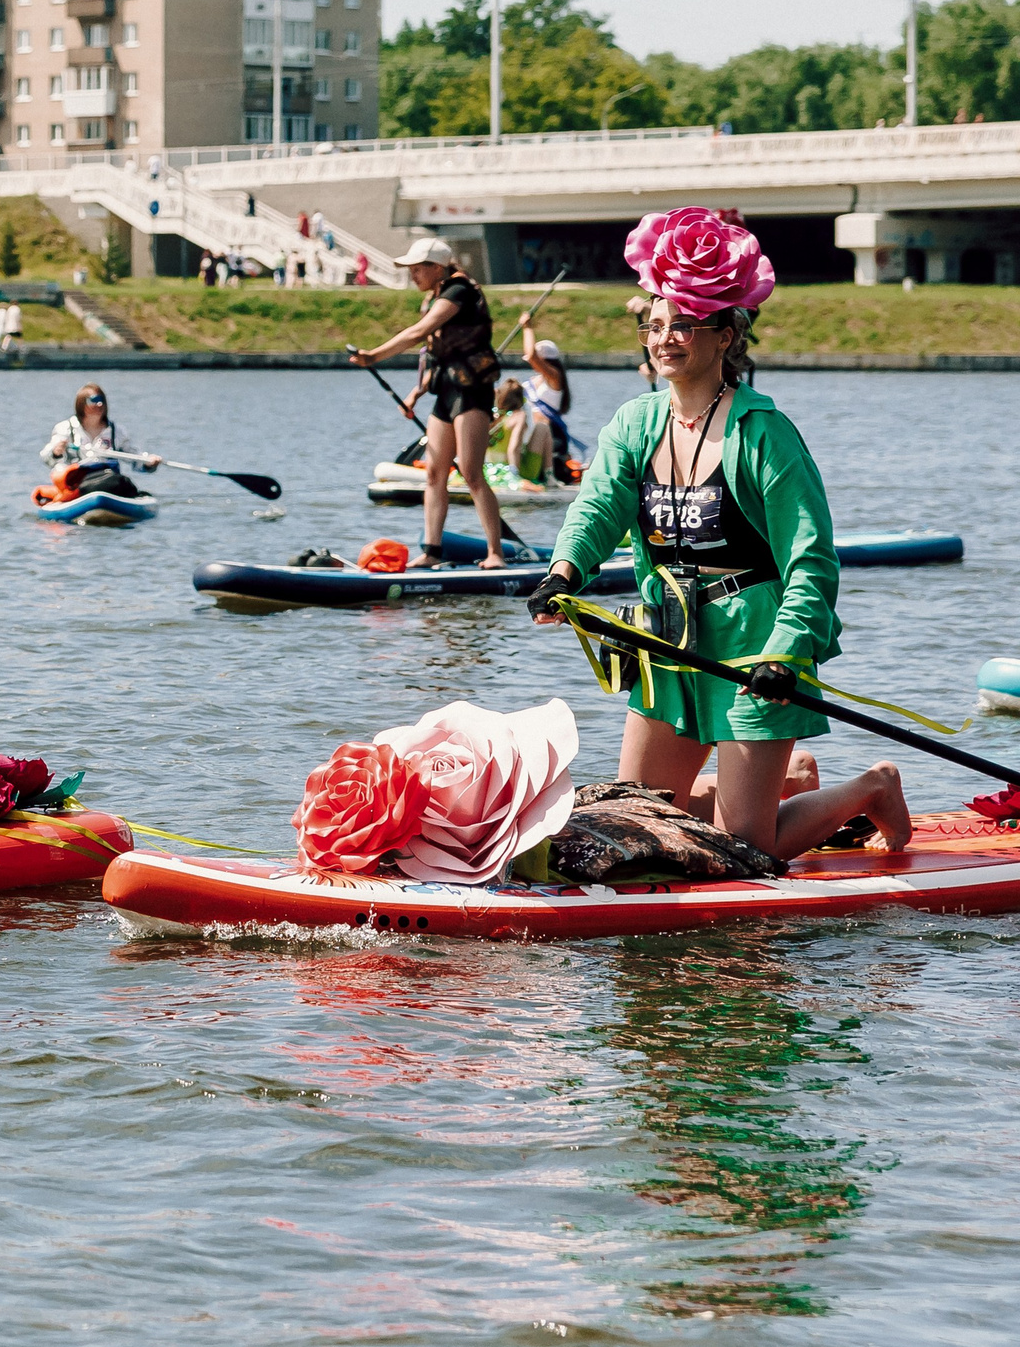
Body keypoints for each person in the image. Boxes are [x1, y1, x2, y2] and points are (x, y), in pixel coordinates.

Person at [527, 206, 909, 859]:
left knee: (744, 847)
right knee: (632, 818)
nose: (664, 337)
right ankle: (779, 778)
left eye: (683, 324)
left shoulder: (766, 434)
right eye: (655, 323)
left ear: (726, 335)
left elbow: (811, 560)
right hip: (668, 641)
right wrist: (564, 571)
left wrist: (783, 654)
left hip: (756, 644)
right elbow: (595, 508)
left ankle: (873, 785)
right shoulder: (633, 424)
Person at [348, 236, 506, 567]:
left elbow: (419, 333)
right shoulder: (436, 294)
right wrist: (416, 393)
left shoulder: (459, 292)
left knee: (471, 472)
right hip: (446, 391)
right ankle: (432, 552)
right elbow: (432, 351)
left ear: (437, 268)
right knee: (434, 472)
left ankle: (495, 553)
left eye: (417, 269)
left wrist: (374, 356)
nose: (412, 276)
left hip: (472, 391)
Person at [42, 385, 159, 495]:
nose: (99, 404)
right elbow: (46, 458)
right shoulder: (65, 428)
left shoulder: (115, 431)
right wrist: (56, 452)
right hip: (77, 483)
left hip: (108, 480)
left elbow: (134, 457)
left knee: (120, 482)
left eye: (102, 400)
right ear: (82, 404)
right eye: (94, 400)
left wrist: (148, 462)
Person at [505, 319, 575, 482]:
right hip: (533, 436)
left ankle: (549, 477)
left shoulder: (554, 377)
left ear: (545, 360)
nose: (532, 364)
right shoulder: (532, 380)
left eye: (538, 361)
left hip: (552, 438)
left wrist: (527, 327)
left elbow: (531, 356)